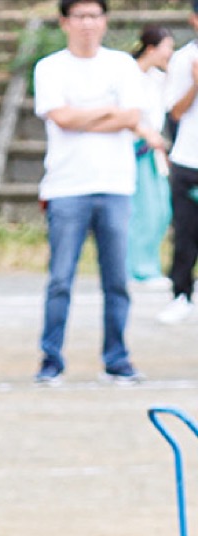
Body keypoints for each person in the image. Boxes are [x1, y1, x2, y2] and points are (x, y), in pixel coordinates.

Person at [33, 0, 151, 384]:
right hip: (67, 187)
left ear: (105, 22)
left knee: (116, 280)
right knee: (61, 280)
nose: (87, 23)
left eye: (94, 16)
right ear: (65, 22)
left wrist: (82, 116)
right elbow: (61, 118)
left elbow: (132, 117)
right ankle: (51, 359)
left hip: (115, 185)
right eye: (80, 16)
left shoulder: (122, 65)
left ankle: (117, 358)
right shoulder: (50, 68)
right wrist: (107, 112)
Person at [159, 3, 198, 325]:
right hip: (189, 159)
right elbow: (173, 112)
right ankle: (181, 294)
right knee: (186, 232)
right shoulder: (184, 59)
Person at [127, 25, 174, 287]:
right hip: (134, 148)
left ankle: (148, 266)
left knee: (160, 210)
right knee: (141, 211)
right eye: (168, 47)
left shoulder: (158, 78)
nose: (171, 53)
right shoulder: (128, 74)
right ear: (152, 48)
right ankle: (137, 270)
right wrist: (145, 134)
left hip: (153, 150)